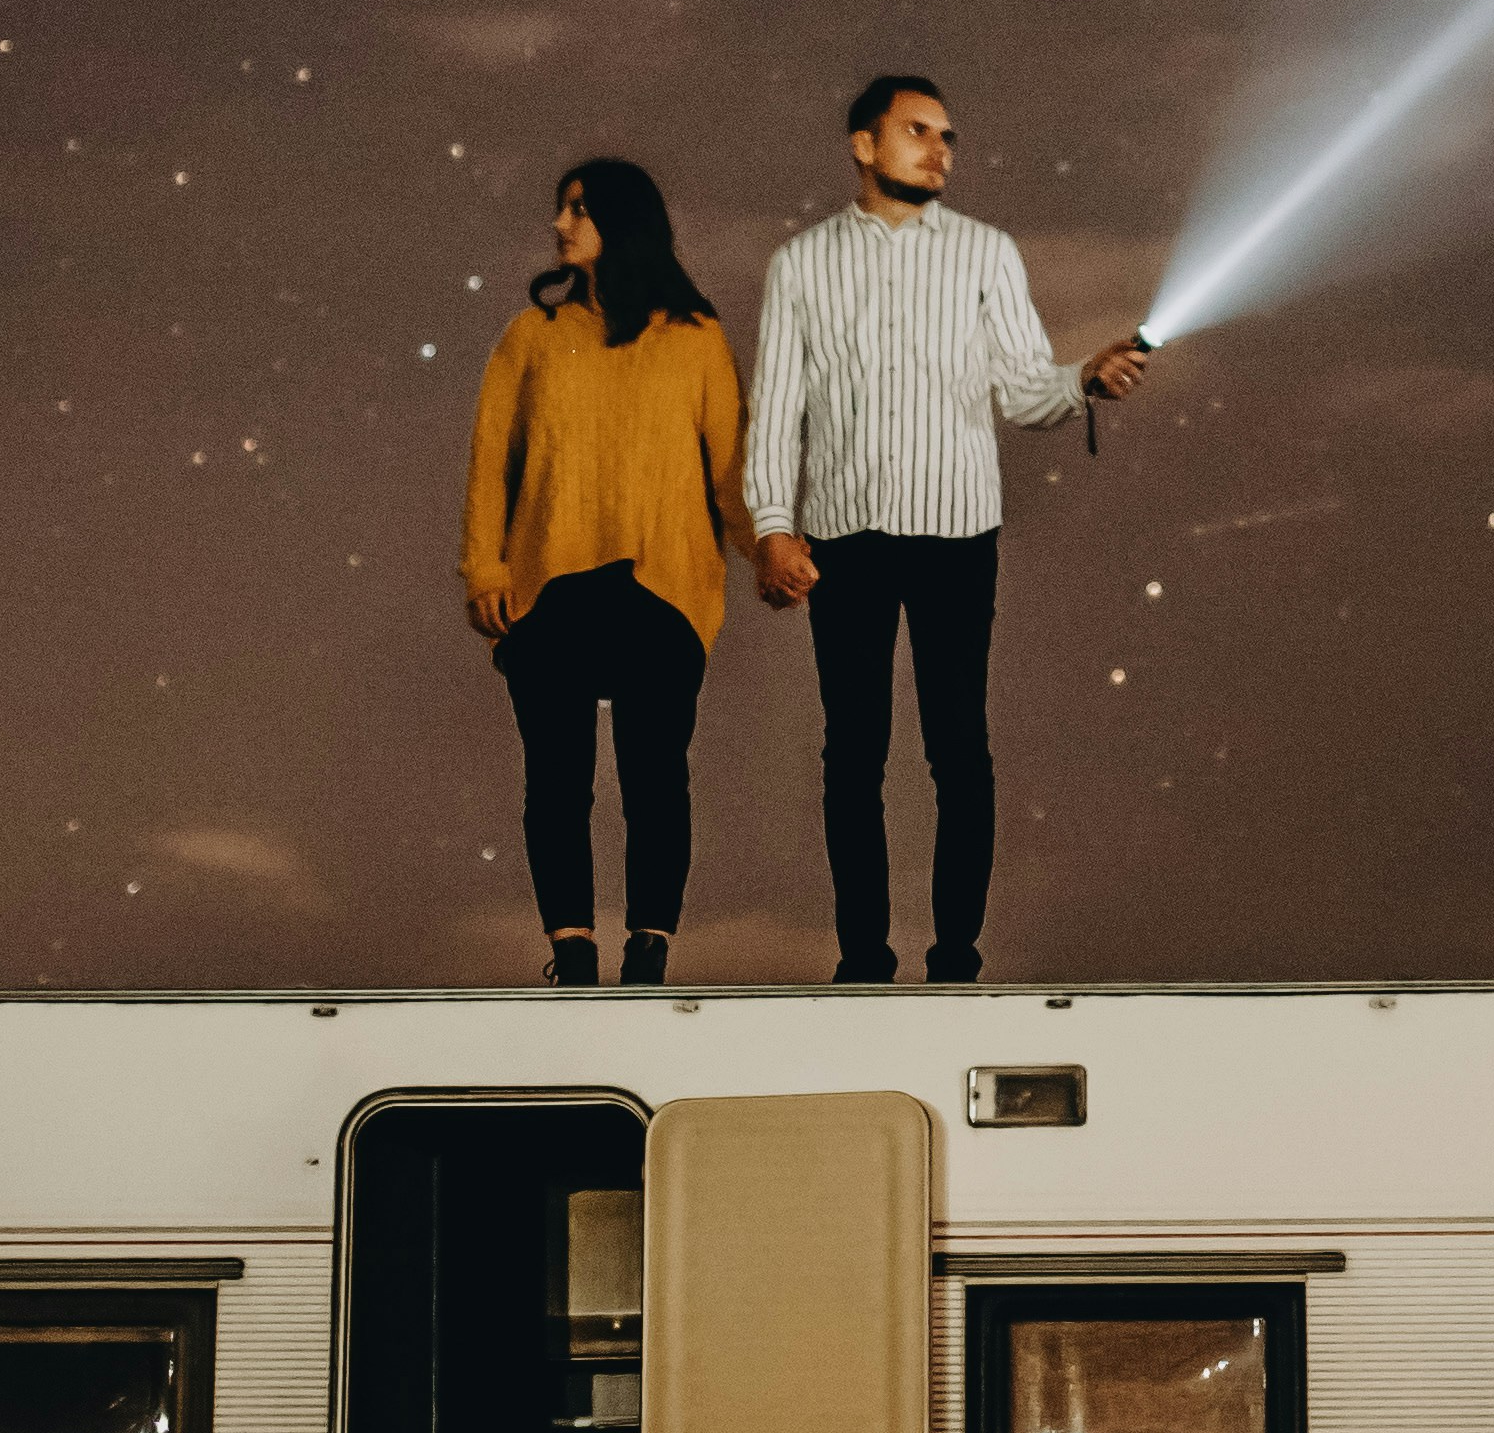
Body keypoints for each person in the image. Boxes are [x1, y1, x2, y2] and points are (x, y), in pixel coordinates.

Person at [743, 69, 1144, 988]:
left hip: (956, 533)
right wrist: (772, 524)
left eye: (949, 137)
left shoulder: (988, 253)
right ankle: (864, 960)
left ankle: (956, 956)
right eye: (920, 132)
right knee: (853, 754)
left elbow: (1022, 386)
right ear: (864, 145)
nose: (941, 151)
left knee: (959, 747)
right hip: (844, 532)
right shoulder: (800, 264)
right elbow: (777, 409)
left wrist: (1082, 378)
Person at [461, 156, 750, 986]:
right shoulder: (530, 337)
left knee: (655, 772)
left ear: (623, 222)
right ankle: (573, 952)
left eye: (577, 210)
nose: (559, 225)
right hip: (549, 584)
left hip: (663, 585)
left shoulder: (695, 340)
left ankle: (650, 949)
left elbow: (730, 468)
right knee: (556, 779)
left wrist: (771, 545)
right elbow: (491, 462)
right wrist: (484, 567)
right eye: (560, 210)